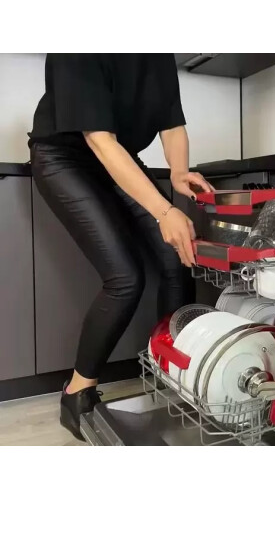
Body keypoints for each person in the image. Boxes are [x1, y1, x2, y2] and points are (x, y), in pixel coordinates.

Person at [28, 53, 214, 441]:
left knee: (175, 259)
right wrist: (164, 211)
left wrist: (179, 171)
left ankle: (173, 374)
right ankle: (76, 392)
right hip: (65, 158)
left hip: (117, 155)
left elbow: (172, 123)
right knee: (125, 277)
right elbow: (99, 140)